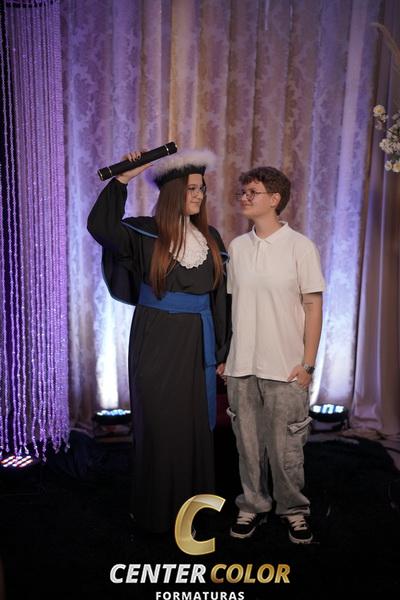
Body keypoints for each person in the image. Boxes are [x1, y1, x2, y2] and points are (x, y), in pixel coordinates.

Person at [87, 149, 230, 533]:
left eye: (202, 189)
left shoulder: (211, 238)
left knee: (194, 429)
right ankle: (155, 512)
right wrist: (123, 178)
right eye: (191, 189)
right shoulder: (143, 232)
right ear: (172, 192)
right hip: (155, 341)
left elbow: (219, 298)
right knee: (161, 426)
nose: (199, 195)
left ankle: (190, 513)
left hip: (197, 342)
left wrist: (222, 350)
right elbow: (100, 226)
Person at [223, 166, 324, 544]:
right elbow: (232, 308)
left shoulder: (301, 247)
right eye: (243, 192)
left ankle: (294, 510)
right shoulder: (237, 247)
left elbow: (313, 306)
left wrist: (308, 364)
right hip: (241, 367)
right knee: (248, 447)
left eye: (253, 192)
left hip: (286, 367)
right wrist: (227, 357)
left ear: (275, 199)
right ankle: (252, 505)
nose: (245, 197)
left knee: (286, 450)